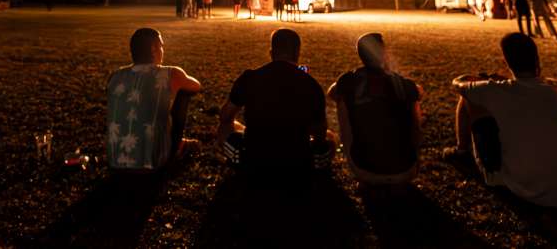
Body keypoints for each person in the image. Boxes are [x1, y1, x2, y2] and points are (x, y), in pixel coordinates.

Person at [449, 33, 557, 208]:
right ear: (536, 58)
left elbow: (458, 85)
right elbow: (526, 92)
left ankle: (461, 151)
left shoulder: (497, 90)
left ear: (507, 62)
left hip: (529, 192)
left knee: (468, 99)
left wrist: (484, 81)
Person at [216, 29, 332, 183]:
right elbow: (319, 133)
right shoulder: (311, 84)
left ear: (271, 52)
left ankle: (238, 163)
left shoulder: (250, 77)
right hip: (297, 166)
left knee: (224, 127)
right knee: (331, 138)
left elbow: (225, 116)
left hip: (253, 161)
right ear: (297, 53)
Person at [327, 33, 422, 188]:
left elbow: (332, 92)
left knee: (342, 100)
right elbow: (419, 93)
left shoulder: (349, 81)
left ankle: (357, 162)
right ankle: (412, 159)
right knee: (412, 101)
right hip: (406, 171)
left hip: (363, 169)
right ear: (384, 53)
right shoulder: (402, 84)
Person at [107, 28, 202, 173]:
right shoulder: (171, 73)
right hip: (154, 163)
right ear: (153, 49)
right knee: (183, 94)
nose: (162, 50)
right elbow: (196, 86)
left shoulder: (115, 76)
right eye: (161, 46)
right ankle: (175, 147)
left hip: (115, 162)